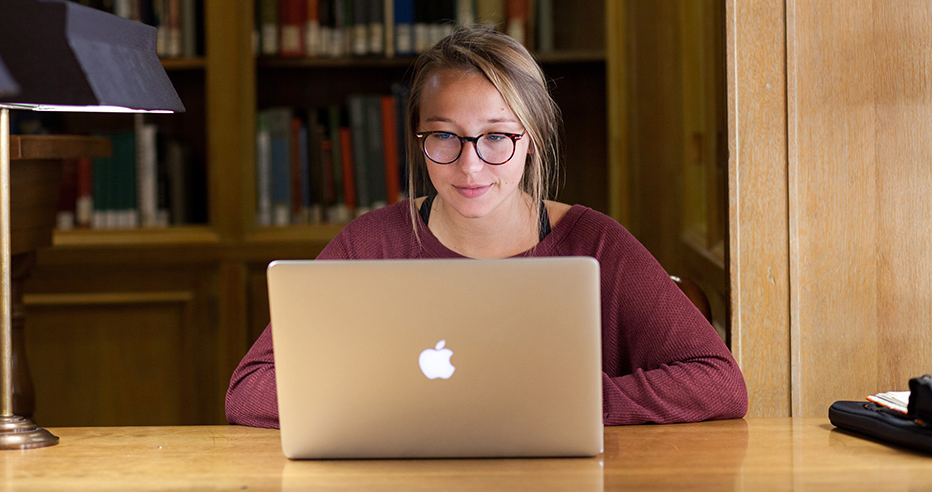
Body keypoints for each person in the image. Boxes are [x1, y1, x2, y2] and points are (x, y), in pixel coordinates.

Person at [225, 25, 748, 428]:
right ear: (417, 138)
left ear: (532, 138)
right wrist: (413, 405)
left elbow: (720, 382)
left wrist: (565, 404)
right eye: (444, 137)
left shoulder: (597, 243)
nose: (469, 166)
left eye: (497, 137)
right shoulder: (370, 243)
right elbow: (250, 390)